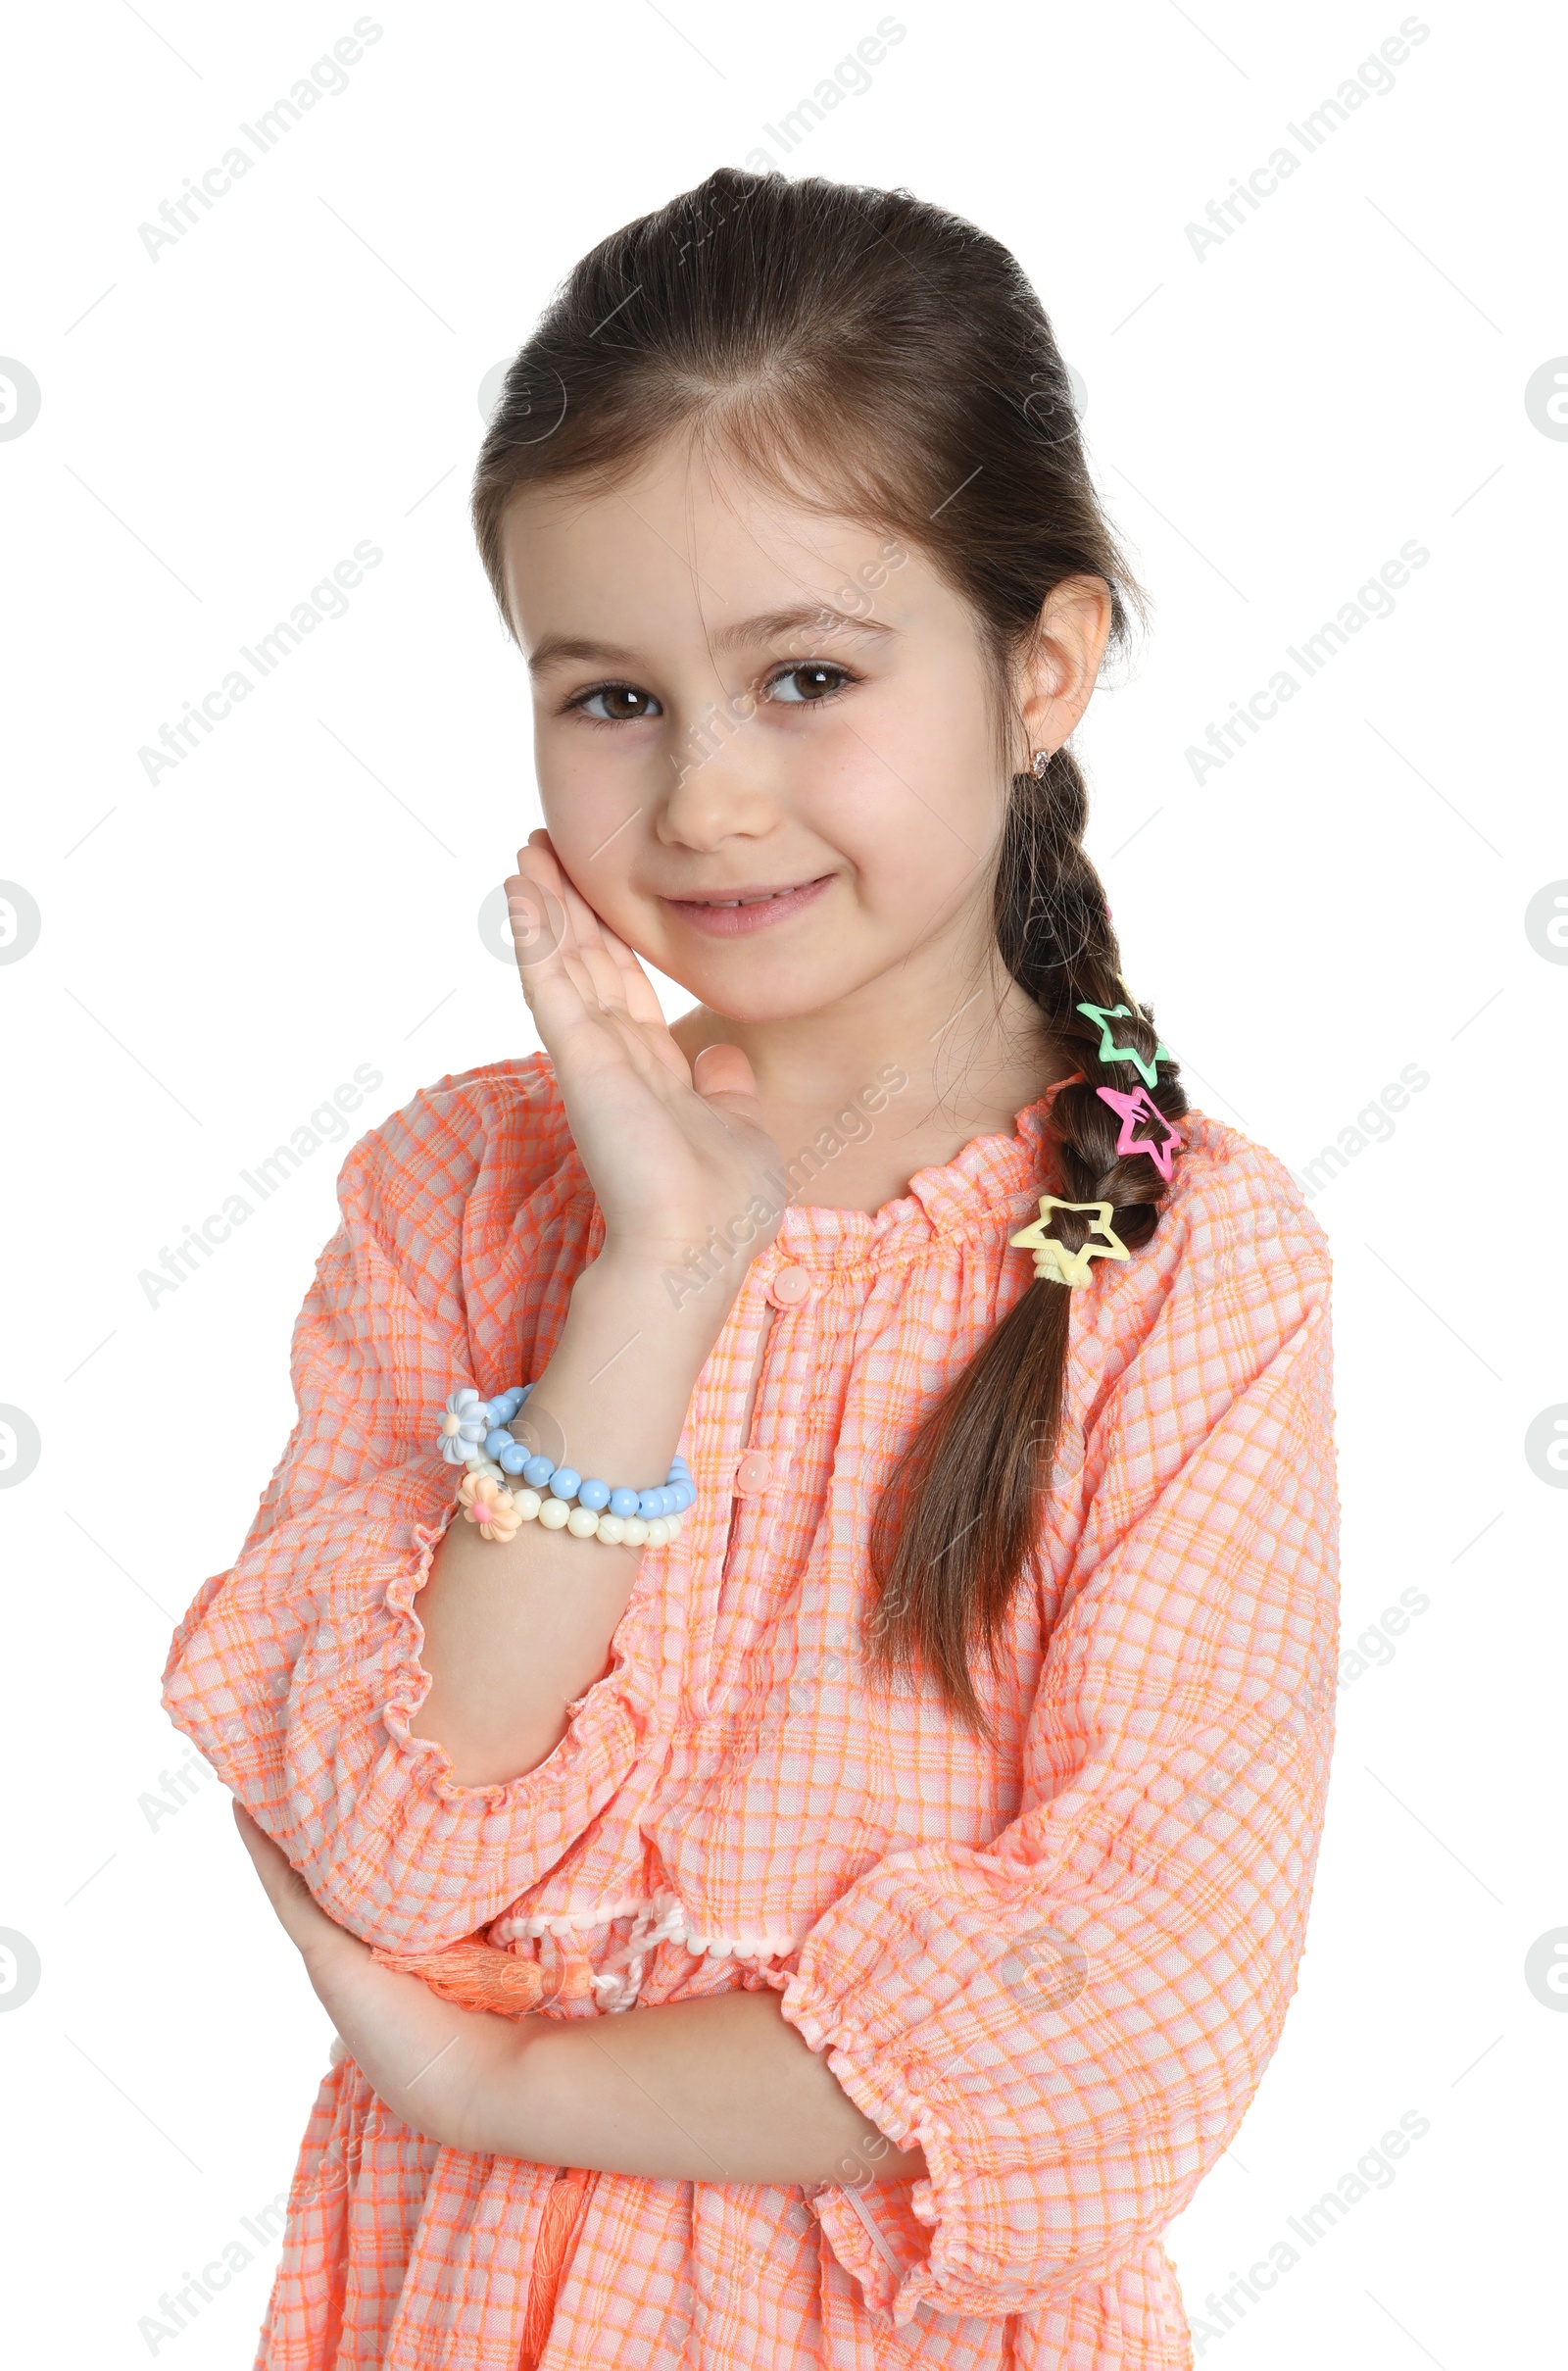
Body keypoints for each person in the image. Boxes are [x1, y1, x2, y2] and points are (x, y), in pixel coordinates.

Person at [164, 166, 1341, 2370]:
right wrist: (662, 1268)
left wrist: (507, 2079)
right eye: (605, 697)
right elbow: (390, 1831)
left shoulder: (1186, 1265)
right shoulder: (462, 1195)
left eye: (804, 676)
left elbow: (1129, 1995)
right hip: (453, 2308)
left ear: (1040, 667)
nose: (703, 802)